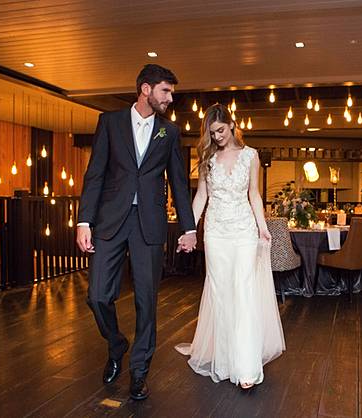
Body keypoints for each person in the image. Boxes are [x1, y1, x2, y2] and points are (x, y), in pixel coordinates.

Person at [76, 64, 196, 400]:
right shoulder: (109, 122)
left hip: (149, 224)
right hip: (110, 221)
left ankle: (139, 371)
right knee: (97, 296)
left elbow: (179, 182)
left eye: (171, 92)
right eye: (165, 91)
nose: (170, 98)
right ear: (146, 89)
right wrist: (84, 221)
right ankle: (116, 344)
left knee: (146, 300)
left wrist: (188, 227)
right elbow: (95, 174)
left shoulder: (169, 132)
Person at [175, 104, 285, 389]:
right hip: (215, 232)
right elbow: (201, 196)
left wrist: (262, 226)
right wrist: (189, 230)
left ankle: (246, 366)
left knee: (243, 291)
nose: (217, 136)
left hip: (244, 230)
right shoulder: (208, 157)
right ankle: (224, 360)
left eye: (221, 130)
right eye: (212, 133)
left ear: (232, 125)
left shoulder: (251, 156)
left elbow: (254, 194)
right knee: (221, 292)